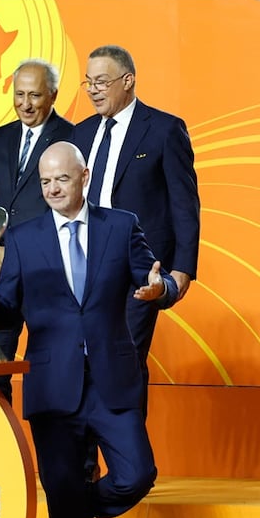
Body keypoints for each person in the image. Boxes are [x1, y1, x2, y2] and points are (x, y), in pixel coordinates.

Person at [0, 141, 176, 518]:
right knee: (61, 485)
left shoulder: (121, 226)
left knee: (136, 475)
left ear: (84, 177)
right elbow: (8, 310)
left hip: (112, 378)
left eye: (62, 179)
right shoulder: (23, 239)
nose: (52, 188)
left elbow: (156, 280)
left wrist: (161, 288)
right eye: (45, 181)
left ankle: (82, 506)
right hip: (52, 385)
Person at [72, 44, 200, 418]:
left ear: (127, 80)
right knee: (80, 362)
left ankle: (127, 450)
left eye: (102, 81)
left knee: (123, 360)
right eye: (88, 82)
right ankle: (88, 450)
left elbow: (184, 204)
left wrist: (183, 269)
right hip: (82, 267)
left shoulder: (164, 129)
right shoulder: (80, 134)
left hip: (139, 270)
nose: (93, 90)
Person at [0, 57, 74, 401]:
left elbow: (69, 207)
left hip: (47, 270)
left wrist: (16, 257)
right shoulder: (0, 137)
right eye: (19, 94)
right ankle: (0, 432)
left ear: (53, 95)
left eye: (34, 95)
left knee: (51, 365)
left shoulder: (72, 137)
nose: (25, 104)